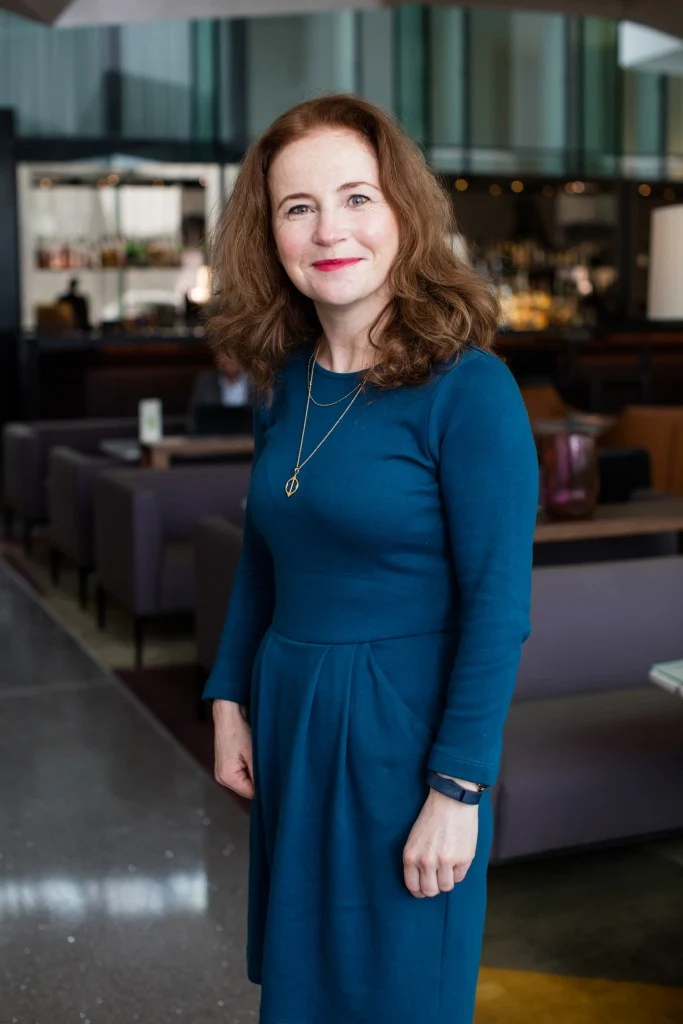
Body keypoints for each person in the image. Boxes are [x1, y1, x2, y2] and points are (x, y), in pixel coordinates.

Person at [203, 94, 538, 1024]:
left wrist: (457, 789)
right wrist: (228, 700)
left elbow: (497, 609)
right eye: (297, 207)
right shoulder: (289, 381)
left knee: (398, 992)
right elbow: (264, 557)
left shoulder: (470, 389)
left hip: (402, 737)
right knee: (305, 994)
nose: (329, 229)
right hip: (294, 719)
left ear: (403, 213)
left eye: (357, 197)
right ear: (268, 235)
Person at [187, 351, 252, 432]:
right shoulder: (205, 382)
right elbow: (194, 419)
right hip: (213, 437)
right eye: (225, 353)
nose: (230, 359)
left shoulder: (257, 384)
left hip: (249, 437)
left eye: (235, 354)